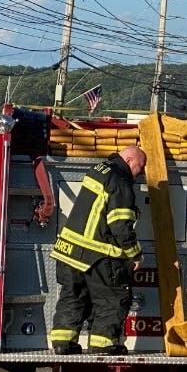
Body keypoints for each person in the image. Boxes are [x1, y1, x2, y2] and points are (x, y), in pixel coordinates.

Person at [48, 145, 147, 356]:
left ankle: (62, 343)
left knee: (73, 297)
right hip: (97, 254)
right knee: (111, 299)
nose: (141, 173)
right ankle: (103, 345)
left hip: (69, 250)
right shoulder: (120, 180)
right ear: (129, 160)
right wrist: (135, 254)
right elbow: (120, 224)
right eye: (141, 166)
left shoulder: (100, 168)